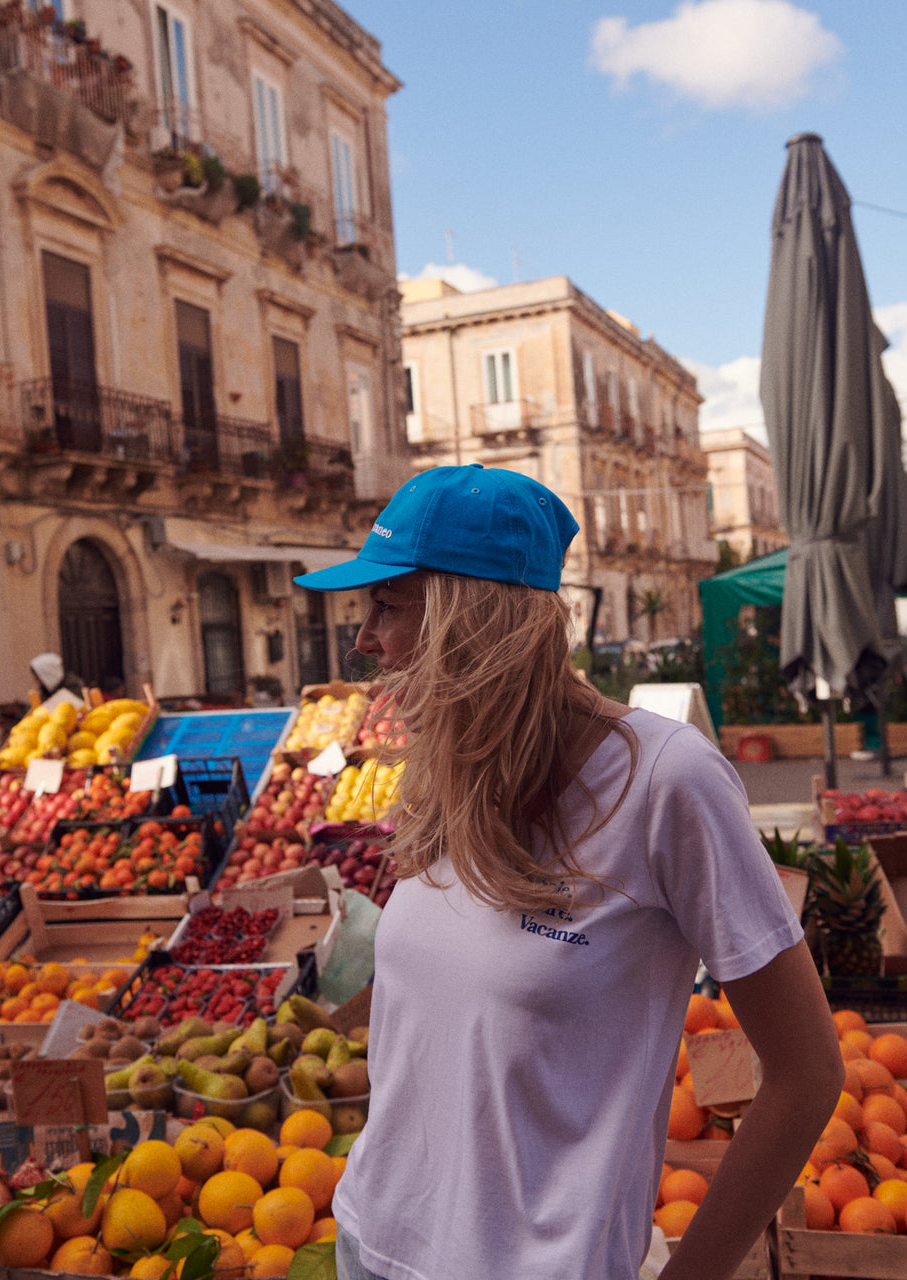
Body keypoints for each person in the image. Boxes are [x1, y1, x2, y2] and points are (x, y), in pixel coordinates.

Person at [293, 463, 843, 1280]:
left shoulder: (666, 782)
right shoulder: (452, 767)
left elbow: (807, 1074)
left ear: (467, 619)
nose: (365, 641)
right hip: (373, 1242)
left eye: (388, 606)